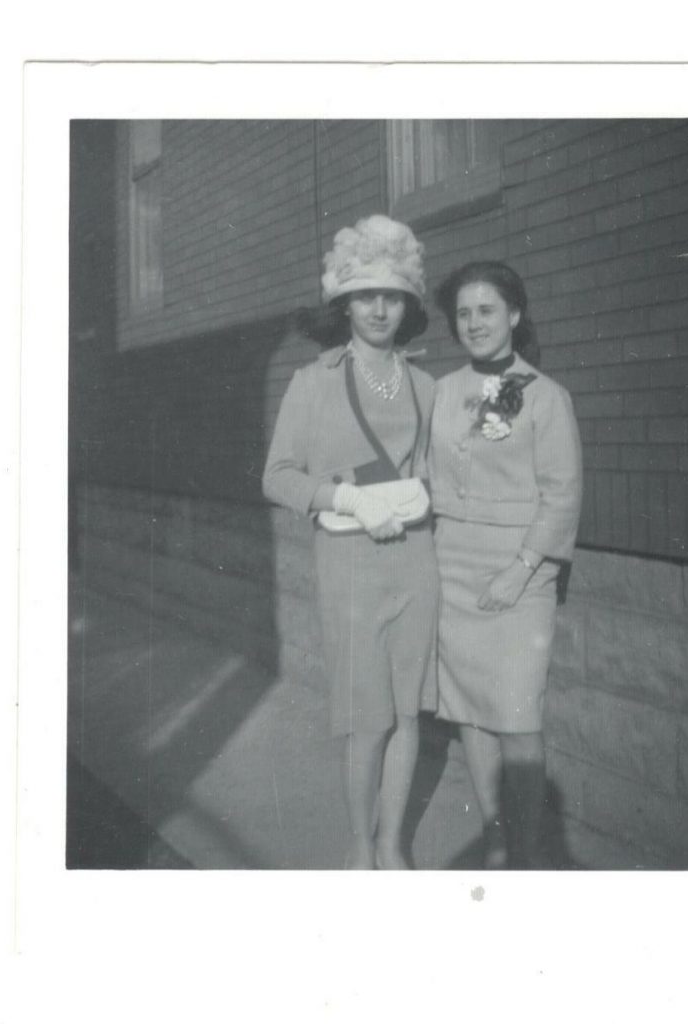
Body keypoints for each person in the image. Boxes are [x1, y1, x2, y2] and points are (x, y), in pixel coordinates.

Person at [263, 215, 439, 870]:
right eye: (366, 294)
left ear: (409, 303)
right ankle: (359, 845)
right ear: (344, 302)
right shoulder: (313, 383)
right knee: (368, 716)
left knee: (409, 714)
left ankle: (393, 843)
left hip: (416, 562)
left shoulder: (425, 385)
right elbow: (276, 477)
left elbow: (433, 471)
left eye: (392, 295)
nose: (379, 308)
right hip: (349, 563)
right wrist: (346, 498)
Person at [429, 260, 583, 869]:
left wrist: (520, 570)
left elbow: (563, 492)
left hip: (521, 572)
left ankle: (528, 850)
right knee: (471, 713)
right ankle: (495, 839)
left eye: (487, 310)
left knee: (516, 714)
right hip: (453, 566)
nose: (475, 323)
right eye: (464, 314)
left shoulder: (547, 398)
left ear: (515, 315)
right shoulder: (441, 392)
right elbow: (423, 472)